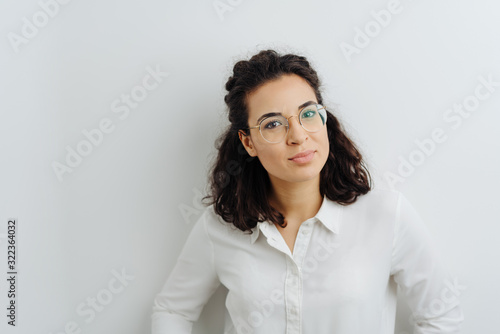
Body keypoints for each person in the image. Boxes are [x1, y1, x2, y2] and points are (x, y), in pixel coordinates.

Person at [151, 49, 464, 333]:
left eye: (308, 114)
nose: (298, 136)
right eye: (273, 124)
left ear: (323, 118)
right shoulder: (219, 227)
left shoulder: (386, 214)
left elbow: (441, 315)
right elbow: (173, 309)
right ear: (249, 142)